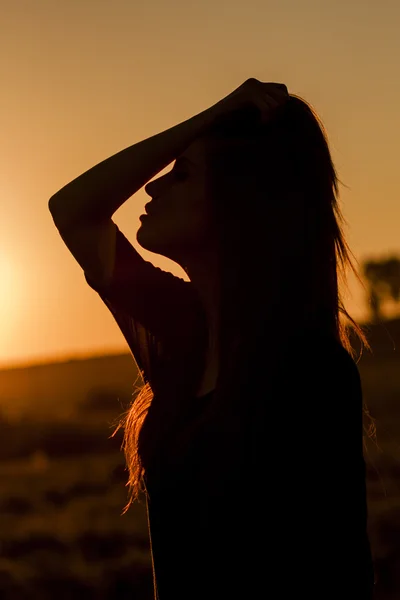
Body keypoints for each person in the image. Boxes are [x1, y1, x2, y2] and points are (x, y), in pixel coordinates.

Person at [49, 78, 375, 599]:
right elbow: (73, 209)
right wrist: (208, 119)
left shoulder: (311, 373)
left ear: (235, 200)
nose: (153, 187)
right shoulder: (181, 336)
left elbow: (335, 571)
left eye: (183, 175)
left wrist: (210, 124)